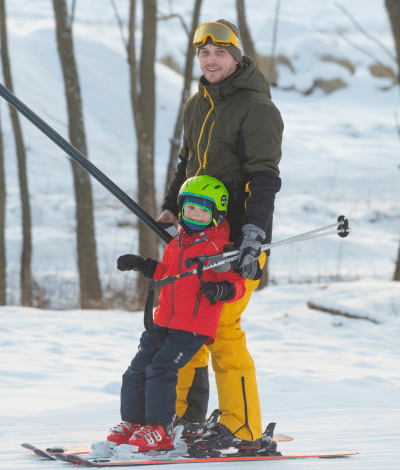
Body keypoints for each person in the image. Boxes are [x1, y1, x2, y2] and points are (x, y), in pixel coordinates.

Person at [157, 20, 283, 451]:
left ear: (235, 57)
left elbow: (264, 178)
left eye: (220, 54)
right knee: (186, 326)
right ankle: (186, 419)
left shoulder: (257, 107)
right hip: (195, 237)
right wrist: (173, 205)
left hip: (237, 241)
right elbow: (187, 162)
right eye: (204, 54)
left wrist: (251, 237)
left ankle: (242, 427)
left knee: (223, 329)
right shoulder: (197, 103)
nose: (211, 61)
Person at [107, 175, 246, 452]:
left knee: (161, 368)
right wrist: (141, 264)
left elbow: (238, 285)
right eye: (190, 209)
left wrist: (222, 291)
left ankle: (160, 429)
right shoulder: (176, 244)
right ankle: (134, 423)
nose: (194, 215)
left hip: (192, 326)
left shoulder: (219, 250)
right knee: (137, 369)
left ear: (215, 216)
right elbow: (167, 275)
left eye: (202, 210)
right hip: (162, 321)